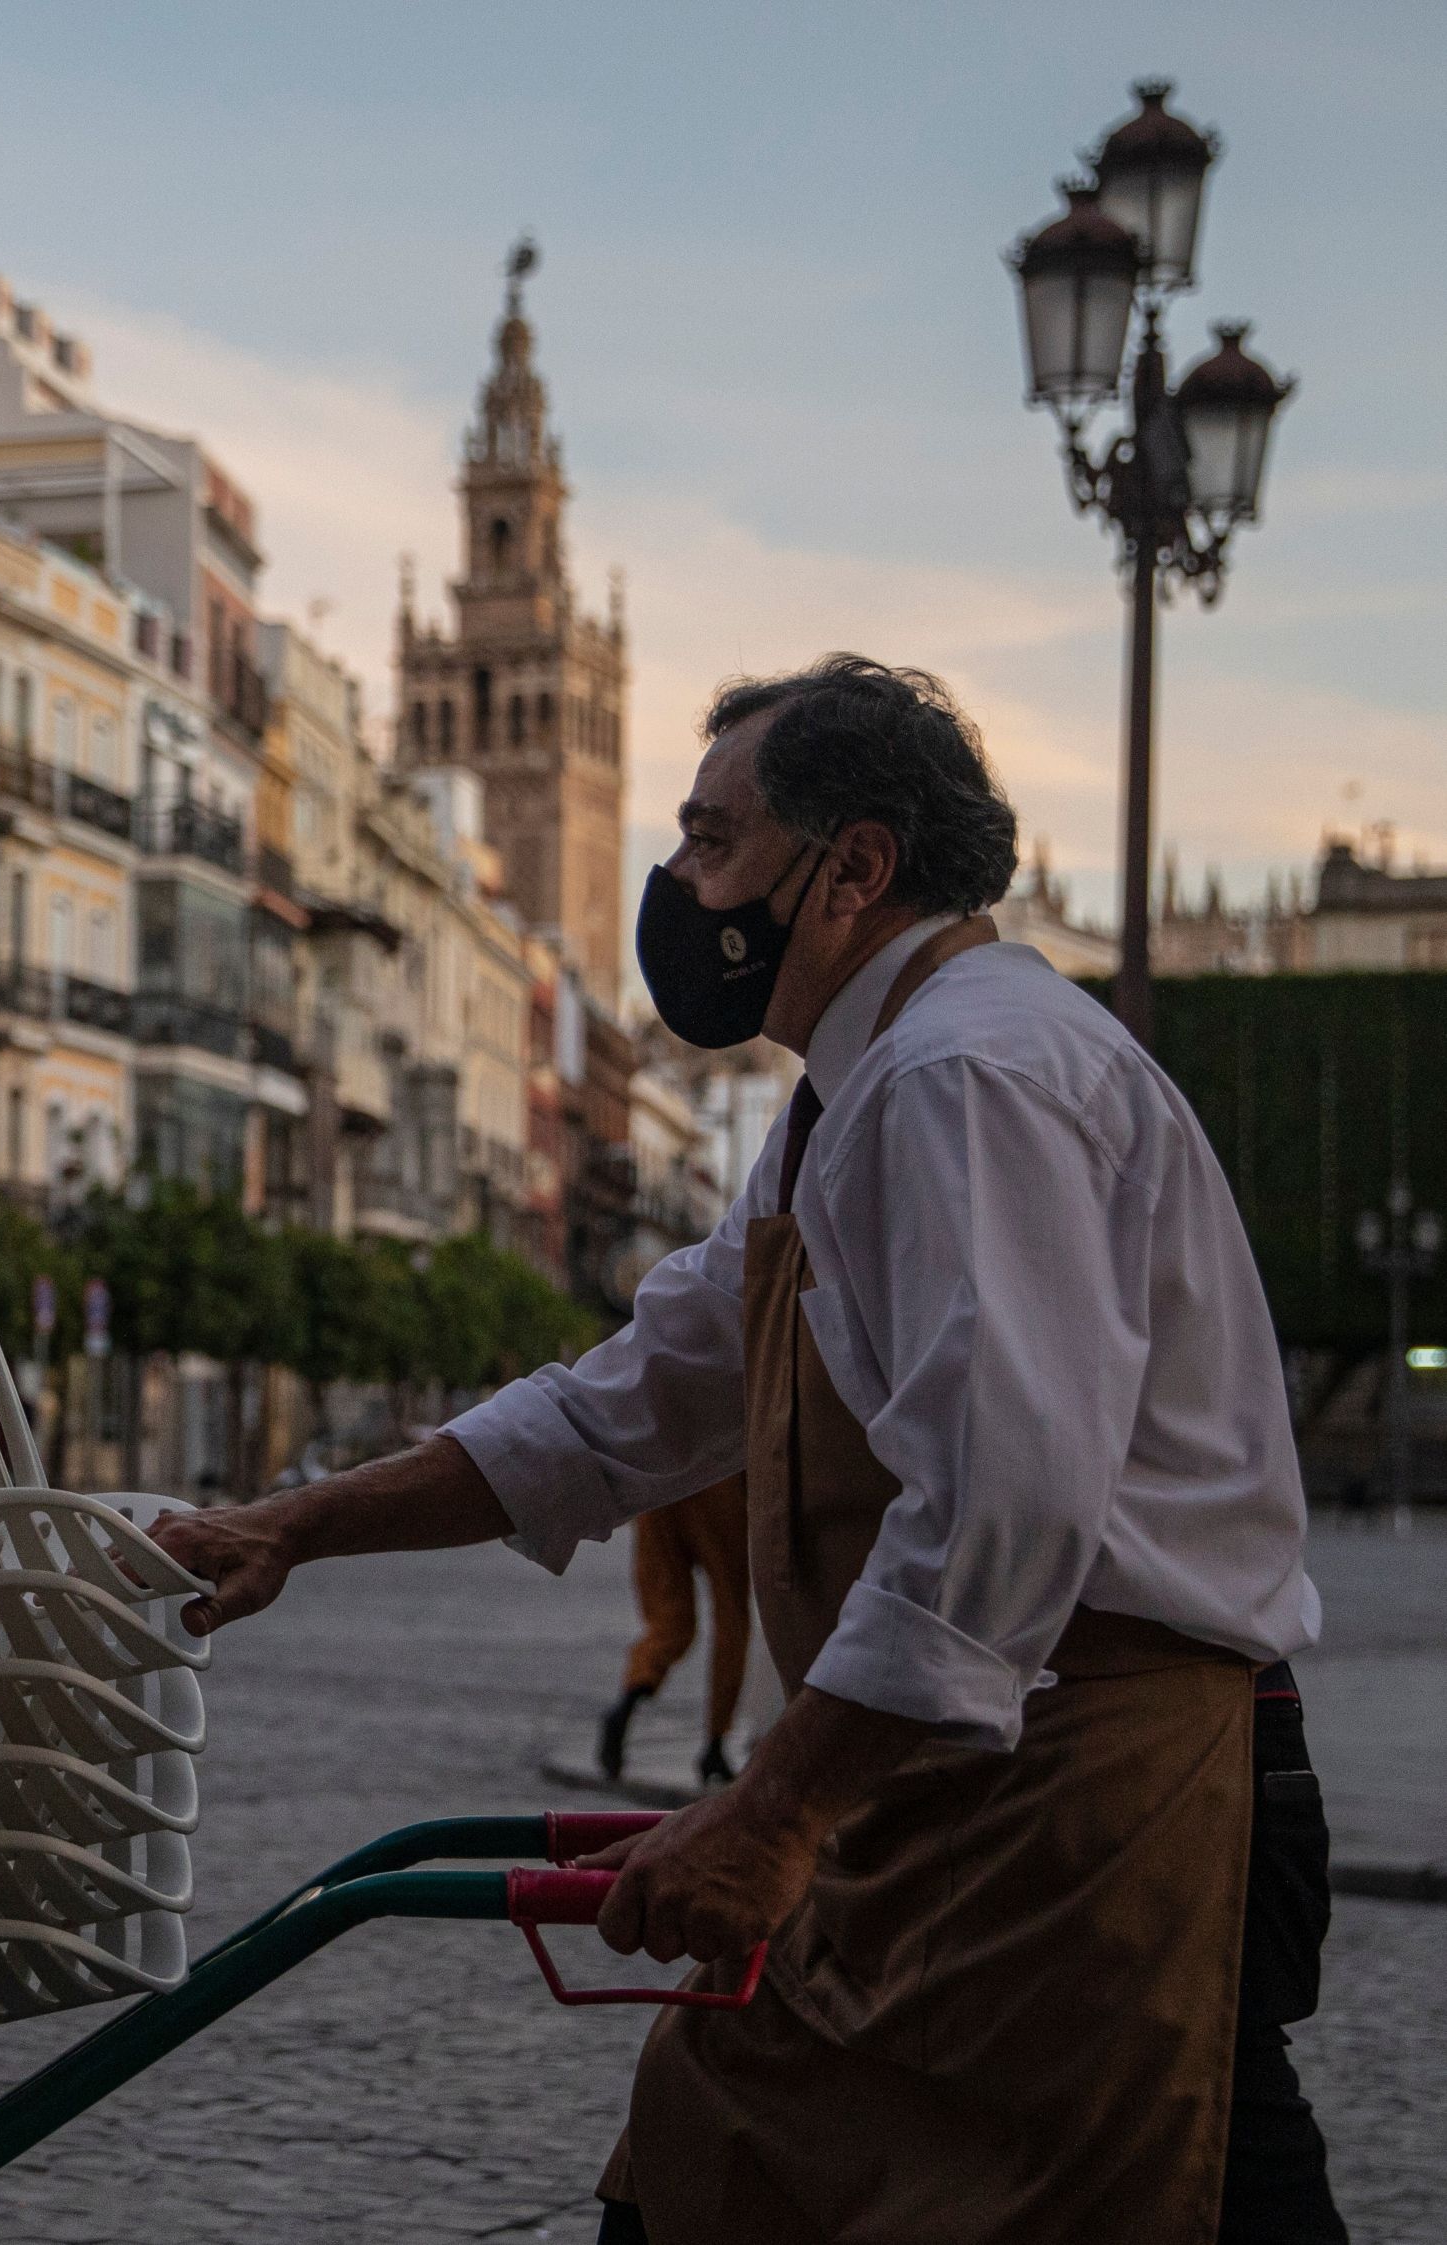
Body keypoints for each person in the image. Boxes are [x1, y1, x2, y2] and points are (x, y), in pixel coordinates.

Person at [152, 656, 1344, 2245]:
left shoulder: (964, 1076)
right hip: (976, 1792)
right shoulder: (850, 1098)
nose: (679, 886)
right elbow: (634, 1399)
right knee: (728, 2156)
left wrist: (775, 1812)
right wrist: (292, 1524)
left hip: (1106, 1801)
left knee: (1137, 2188)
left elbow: (1008, 1508)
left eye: (713, 842)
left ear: (850, 868)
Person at [596, 1474, 749, 1788]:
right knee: (732, 1615)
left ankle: (627, 1701)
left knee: (670, 1622)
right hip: (716, 1481)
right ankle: (715, 1743)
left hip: (659, 1484)